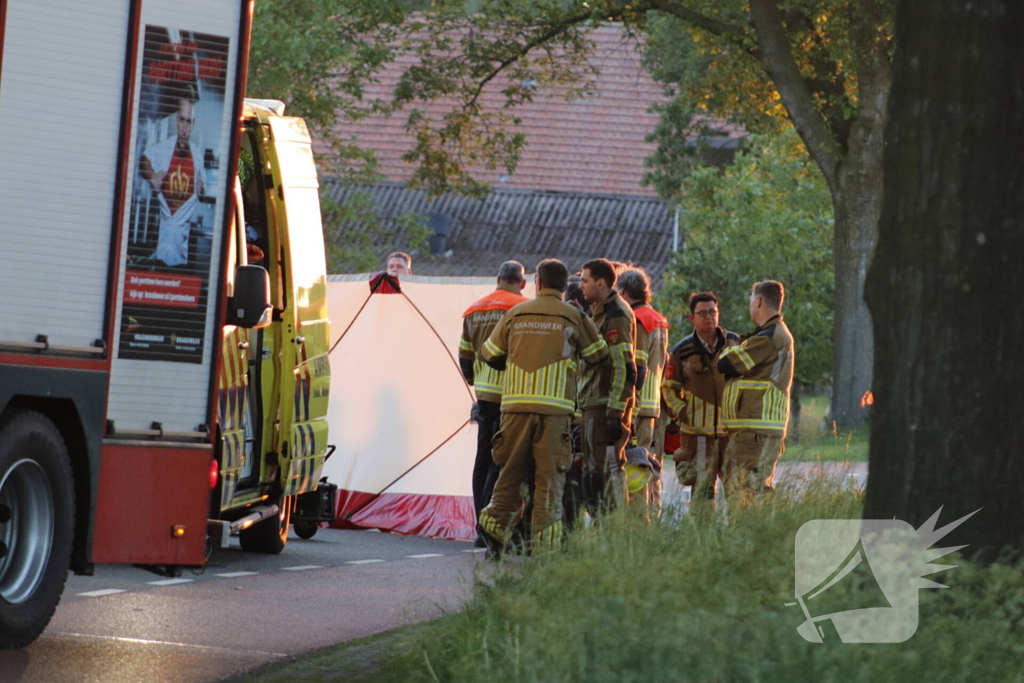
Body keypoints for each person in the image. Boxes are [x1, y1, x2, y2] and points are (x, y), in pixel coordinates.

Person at [477, 259, 608, 555]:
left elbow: (489, 354)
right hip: (555, 412)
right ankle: (543, 547)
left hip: (514, 409)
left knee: (509, 474)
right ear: (564, 287)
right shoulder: (573, 316)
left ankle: (495, 533)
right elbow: (599, 355)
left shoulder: (516, 312)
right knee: (549, 479)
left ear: (537, 283)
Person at [458, 261, 528, 546]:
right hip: (511, 395)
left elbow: (465, 355)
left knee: (483, 458)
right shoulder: (522, 308)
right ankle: (490, 527)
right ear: (522, 283)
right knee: (501, 463)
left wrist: (474, 378)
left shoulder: (474, 309)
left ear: (498, 278)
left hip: (484, 395)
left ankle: (479, 526)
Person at [661, 292, 740, 506]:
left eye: (713, 312)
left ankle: (739, 533)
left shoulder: (734, 343)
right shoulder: (682, 350)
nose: (709, 317)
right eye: (702, 313)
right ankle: (703, 536)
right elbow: (668, 388)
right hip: (698, 436)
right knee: (702, 492)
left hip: (730, 433)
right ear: (692, 318)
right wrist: (681, 411)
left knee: (737, 490)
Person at [717, 280, 794, 497]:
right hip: (758, 429)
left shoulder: (768, 337)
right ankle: (761, 529)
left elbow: (725, 364)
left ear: (758, 301)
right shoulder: (771, 334)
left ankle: (754, 530)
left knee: (746, 491)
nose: (750, 305)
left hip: (754, 430)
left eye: (751, 300)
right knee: (753, 489)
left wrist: (729, 347)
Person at [578, 258, 640, 514]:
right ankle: (602, 529)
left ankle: (613, 531)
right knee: (594, 471)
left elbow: (623, 367)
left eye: (585, 280)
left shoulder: (616, 314)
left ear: (600, 283)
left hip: (605, 405)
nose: (581, 286)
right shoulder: (601, 310)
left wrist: (615, 412)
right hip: (594, 402)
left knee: (608, 469)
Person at [615, 267, 670, 514]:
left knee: (635, 466)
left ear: (624, 292)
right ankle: (653, 515)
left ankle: (638, 519)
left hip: (637, 405)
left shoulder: (635, 319)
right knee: (651, 464)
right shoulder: (659, 319)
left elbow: (635, 365)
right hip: (654, 404)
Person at [139, 85, 206, 267]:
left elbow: (204, 190)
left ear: (193, 124)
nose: (184, 128)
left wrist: (202, 190)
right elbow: (143, 160)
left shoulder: (198, 157)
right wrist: (152, 175)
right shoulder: (164, 149)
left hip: (182, 256)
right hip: (160, 247)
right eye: (182, 121)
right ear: (177, 120)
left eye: (188, 122)